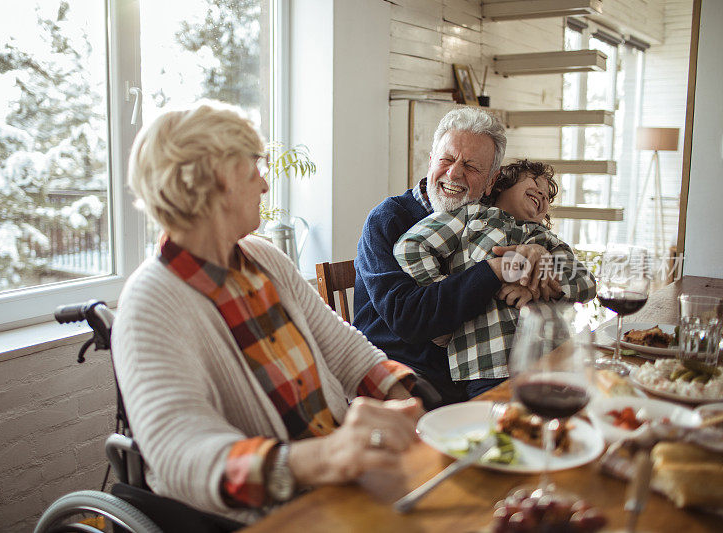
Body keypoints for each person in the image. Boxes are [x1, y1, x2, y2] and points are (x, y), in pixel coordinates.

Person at [112, 101, 423, 525]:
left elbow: (341, 343)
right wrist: (322, 457)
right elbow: (182, 455)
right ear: (219, 181)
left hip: (336, 481)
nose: (264, 185)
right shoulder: (150, 302)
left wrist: (406, 399)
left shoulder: (262, 256)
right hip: (264, 513)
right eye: (252, 170)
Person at [353, 107, 558, 403]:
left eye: (472, 167)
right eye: (446, 159)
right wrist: (495, 271)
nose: (454, 173)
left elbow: (559, 268)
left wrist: (539, 256)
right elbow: (408, 318)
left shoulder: (491, 218)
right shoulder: (388, 219)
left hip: (479, 369)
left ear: (491, 180)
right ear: (431, 160)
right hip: (405, 376)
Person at [394, 159, 597, 396]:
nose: (542, 193)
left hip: (553, 359)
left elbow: (586, 283)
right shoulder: (471, 217)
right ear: (500, 185)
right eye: (534, 181)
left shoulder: (547, 239)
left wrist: (536, 283)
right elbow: (410, 246)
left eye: (547, 197)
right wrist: (442, 292)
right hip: (490, 364)